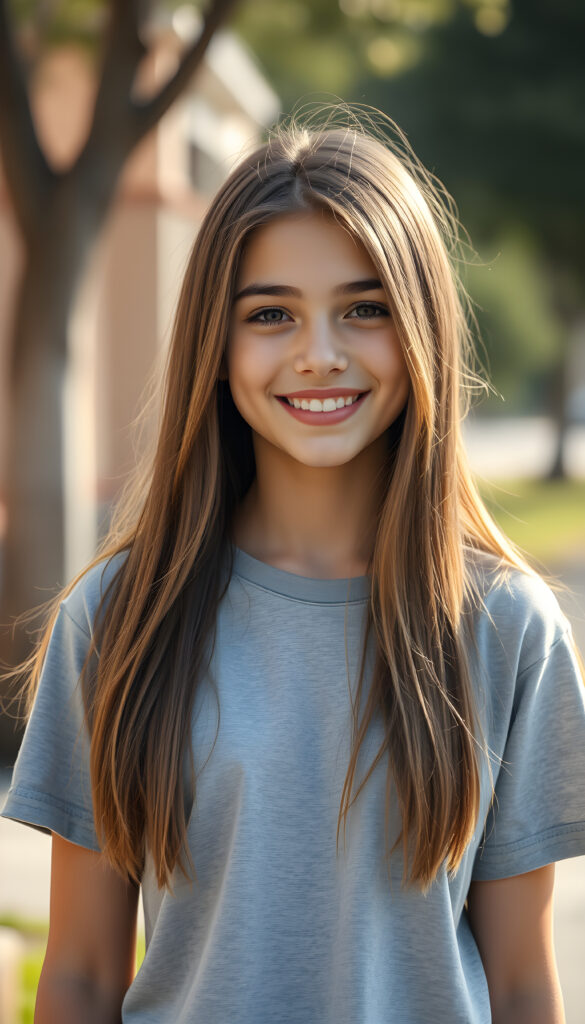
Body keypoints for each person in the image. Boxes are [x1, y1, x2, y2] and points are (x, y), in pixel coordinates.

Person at [2, 104, 585, 1024]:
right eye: (270, 314)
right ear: (217, 347)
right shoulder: (120, 617)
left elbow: (520, 984)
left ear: (421, 330)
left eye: (364, 309)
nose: (320, 355)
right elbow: (75, 975)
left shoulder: (509, 630)